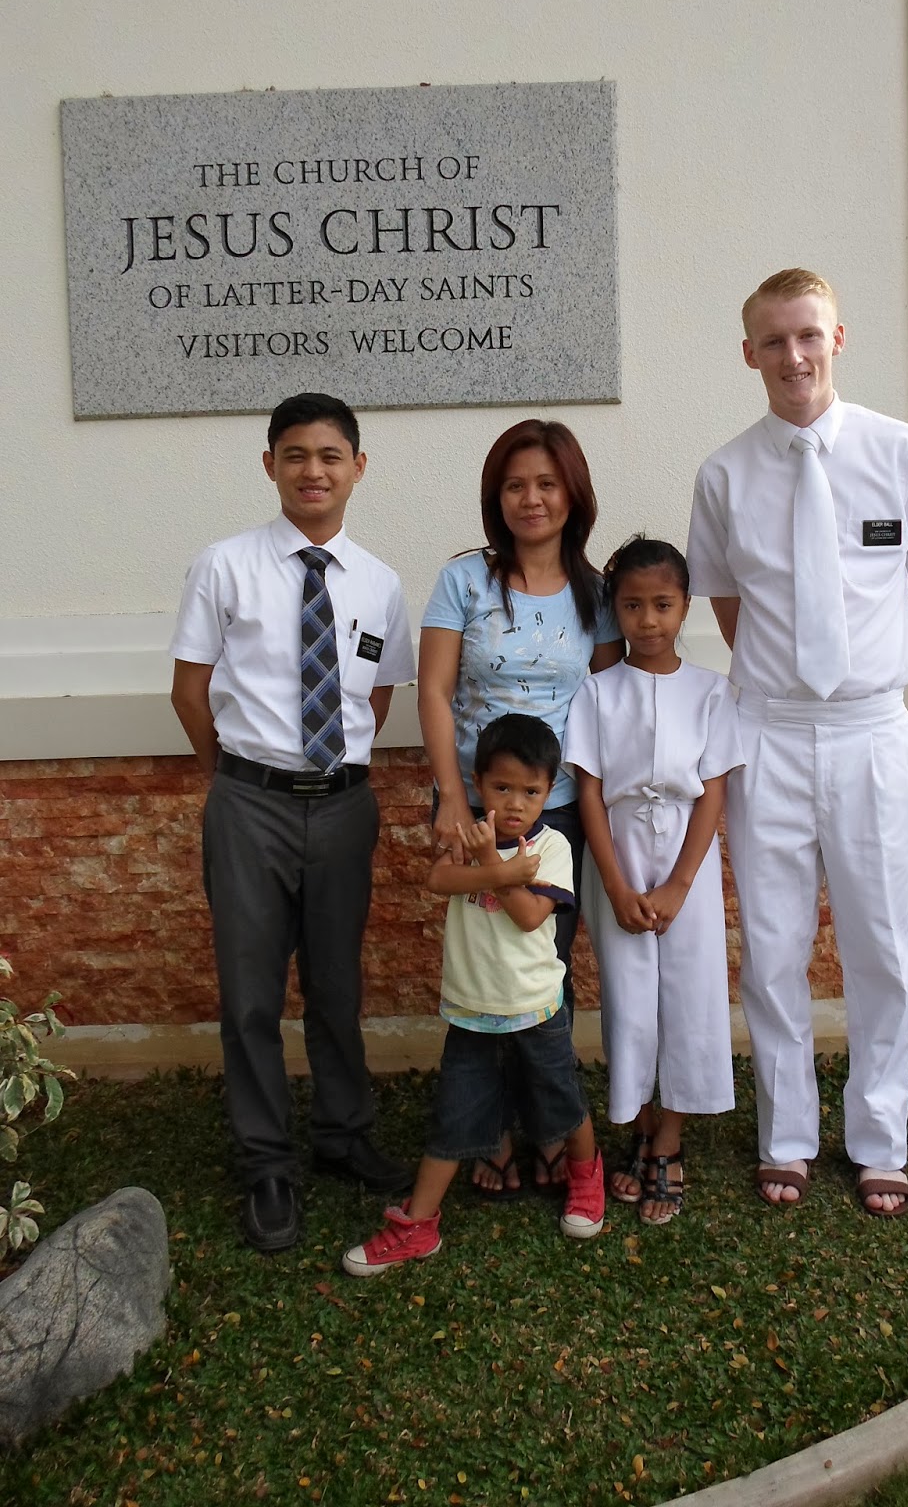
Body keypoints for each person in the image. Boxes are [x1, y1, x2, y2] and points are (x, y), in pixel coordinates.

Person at [686, 269, 908, 1217]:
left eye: (808, 335)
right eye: (774, 340)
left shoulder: (902, 452)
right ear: (749, 353)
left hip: (869, 732)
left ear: (837, 339)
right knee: (772, 948)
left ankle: (880, 1137)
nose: (793, 355)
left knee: (879, 942)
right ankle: (788, 1136)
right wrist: (792, 681)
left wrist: (859, 672)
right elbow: (731, 609)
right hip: (768, 731)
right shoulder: (724, 475)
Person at [170, 391, 416, 1253]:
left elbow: (374, 702)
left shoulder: (380, 584)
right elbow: (190, 692)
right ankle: (266, 1162)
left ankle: (344, 1135)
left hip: (344, 806)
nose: (314, 471)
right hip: (250, 804)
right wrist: (241, 780)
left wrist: (326, 773)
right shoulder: (224, 566)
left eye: (330, 455)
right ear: (270, 464)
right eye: (296, 455)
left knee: (337, 986)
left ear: (358, 467)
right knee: (250, 995)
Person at [418, 418, 622, 1197]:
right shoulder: (464, 581)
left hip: (557, 814)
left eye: (546, 483)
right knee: (484, 968)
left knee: (542, 972)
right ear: (495, 496)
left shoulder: (596, 593)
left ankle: (551, 1131)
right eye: (514, 485)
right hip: (473, 812)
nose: (531, 499)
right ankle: (494, 1135)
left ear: (574, 493)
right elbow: (434, 690)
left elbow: (609, 703)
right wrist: (450, 795)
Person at [341, 714, 606, 1274]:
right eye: (502, 787)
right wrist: (500, 868)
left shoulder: (554, 846)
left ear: (549, 792)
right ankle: (417, 1225)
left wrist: (489, 864)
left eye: (530, 792)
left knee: (561, 1098)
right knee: (454, 1114)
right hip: (471, 1011)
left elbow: (531, 915)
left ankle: (587, 1177)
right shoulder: (467, 836)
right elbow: (439, 880)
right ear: (478, 783)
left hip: (536, 1007)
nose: (514, 804)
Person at [564, 537, 743, 1225]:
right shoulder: (596, 691)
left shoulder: (711, 692)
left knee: (690, 995)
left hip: (685, 862)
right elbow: (589, 790)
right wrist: (614, 884)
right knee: (630, 997)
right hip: (619, 854)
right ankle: (639, 1125)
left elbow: (713, 791)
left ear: (685, 606)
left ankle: (670, 1138)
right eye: (633, 605)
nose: (648, 620)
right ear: (615, 609)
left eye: (663, 604)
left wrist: (680, 885)